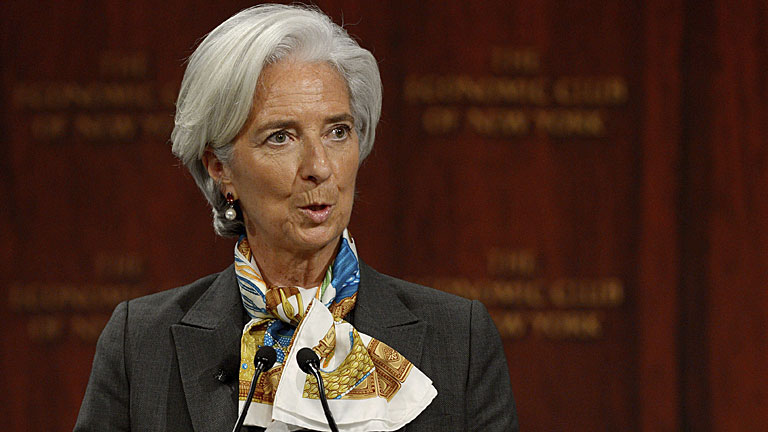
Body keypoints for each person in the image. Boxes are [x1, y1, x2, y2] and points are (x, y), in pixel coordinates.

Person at [75, 4, 518, 431]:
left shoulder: (459, 339)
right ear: (220, 168)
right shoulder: (140, 344)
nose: (319, 167)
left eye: (337, 132)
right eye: (281, 137)